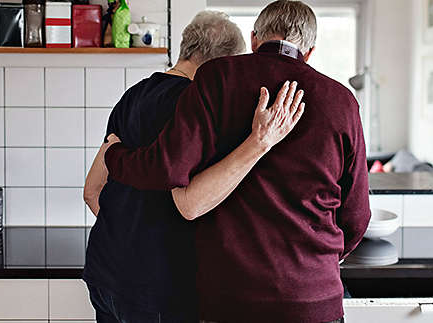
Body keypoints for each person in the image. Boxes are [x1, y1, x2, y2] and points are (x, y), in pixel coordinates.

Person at [104, 1, 372, 322]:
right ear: (310, 52)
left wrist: (114, 155)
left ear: (255, 39)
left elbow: (168, 170)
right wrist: (317, 261)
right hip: (312, 296)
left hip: (229, 295)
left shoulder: (217, 77)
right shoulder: (341, 101)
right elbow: (357, 215)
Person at [83, 11, 305, 323]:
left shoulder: (131, 97)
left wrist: (128, 238)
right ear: (220, 64)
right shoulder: (197, 107)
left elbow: (92, 192)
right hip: (159, 289)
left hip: (103, 272)